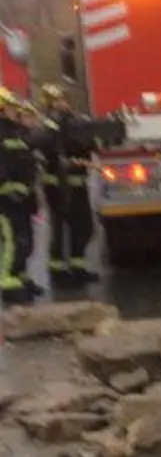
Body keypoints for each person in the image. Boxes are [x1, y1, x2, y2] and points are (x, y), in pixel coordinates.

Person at [38, 84, 98, 287]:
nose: (62, 103)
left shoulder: (75, 121)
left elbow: (88, 144)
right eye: (57, 100)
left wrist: (89, 138)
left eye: (63, 99)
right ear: (49, 103)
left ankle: (77, 266)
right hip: (57, 186)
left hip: (78, 185)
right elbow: (45, 146)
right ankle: (57, 271)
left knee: (83, 227)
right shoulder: (47, 125)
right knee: (59, 231)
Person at [0, 88, 39, 305]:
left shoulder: (14, 131)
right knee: (12, 242)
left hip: (21, 197)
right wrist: (8, 187)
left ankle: (20, 278)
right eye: (11, 107)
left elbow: (24, 160)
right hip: (6, 200)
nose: (15, 111)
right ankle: (8, 284)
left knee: (24, 241)